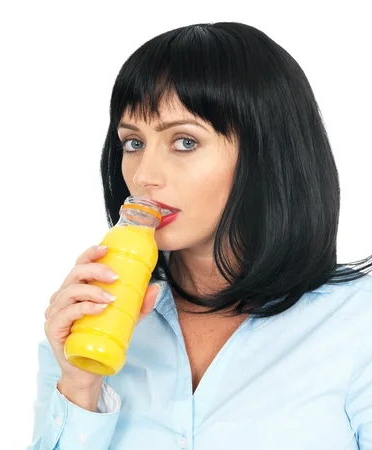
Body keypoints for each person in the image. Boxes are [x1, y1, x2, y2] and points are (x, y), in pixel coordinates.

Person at [28, 22, 372, 449]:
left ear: (266, 153)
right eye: (133, 143)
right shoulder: (85, 334)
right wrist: (79, 388)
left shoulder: (359, 323)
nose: (144, 177)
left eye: (185, 142)